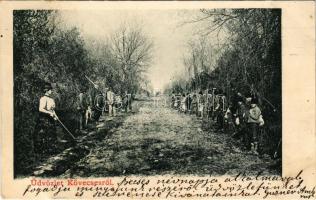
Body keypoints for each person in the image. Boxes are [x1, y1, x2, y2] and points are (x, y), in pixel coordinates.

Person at [34, 83, 58, 158]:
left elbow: (52, 110)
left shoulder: (51, 99)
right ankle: (42, 152)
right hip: (44, 119)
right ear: (46, 91)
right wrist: (49, 113)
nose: (51, 91)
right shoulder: (43, 99)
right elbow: (41, 109)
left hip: (50, 119)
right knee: (43, 134)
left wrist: (56, 116)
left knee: (51, 133)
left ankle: (50, 150)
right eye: (50, 90)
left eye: (51, 89)